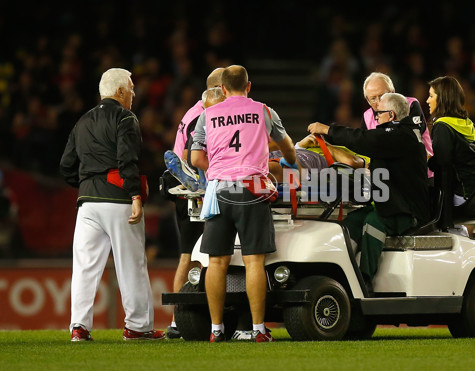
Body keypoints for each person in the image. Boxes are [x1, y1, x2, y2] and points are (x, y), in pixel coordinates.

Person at [190, 65, 297, 342]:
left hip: (219, 191)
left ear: (222, 89)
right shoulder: (264, 111)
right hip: (253, 189)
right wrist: (289, 160)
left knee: (216, 263)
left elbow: (194, 157)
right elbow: (287, 146)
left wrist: (218, 168)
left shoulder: (207, 114)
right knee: (253, 262)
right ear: (249, 86)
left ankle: (215, 330)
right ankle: (259, 329)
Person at [59, 68, 164, 341]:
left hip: (87, 205)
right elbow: (127, 159)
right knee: (131, 265)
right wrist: (135, 195)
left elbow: (66, 166)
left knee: (84, 267)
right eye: (130, 88)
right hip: (118, 200)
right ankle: (138, 327)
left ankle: (79, 328)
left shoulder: (82, 121)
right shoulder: (125, 117)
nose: (133, 93)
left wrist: (88, 184)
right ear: (119, 92)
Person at [308, 92, 429, 290]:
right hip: (389, 206)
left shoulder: (402, 135)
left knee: (374, 222)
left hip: (408, 212)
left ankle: (364, 281)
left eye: (378, 113)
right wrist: (328, 146)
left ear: (391, 115)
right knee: (347, 225)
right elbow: (365, 149)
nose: (375, 117)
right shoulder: (395, 137)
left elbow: (363, 139)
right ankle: (338, 276)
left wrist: (328, 129)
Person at [164, 69, 224, 340]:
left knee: (188, 257)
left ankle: (179, 321)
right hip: (193, 194)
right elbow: (191, 153)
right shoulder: (203, 115)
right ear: (220, 89)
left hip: (186, 191)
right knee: (195, 257)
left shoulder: (196, 112)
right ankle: (180, 320)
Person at [426, 76, 475, 230]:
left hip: (465, 196)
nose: (427, 101)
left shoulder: (443, 126)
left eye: (431, 96)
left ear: (442, 99)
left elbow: (443, 165)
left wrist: (428, 159)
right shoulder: (471, 125)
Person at [361, 72, 434, 179]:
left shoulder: (410, 105)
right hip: (390, 182)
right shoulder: (367, 116)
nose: (378, 102)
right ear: (367, 100)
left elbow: (408, 140)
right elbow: (365, 148)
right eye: (373, 98)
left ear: (393, 92)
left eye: (382, 96)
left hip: (422, 176)